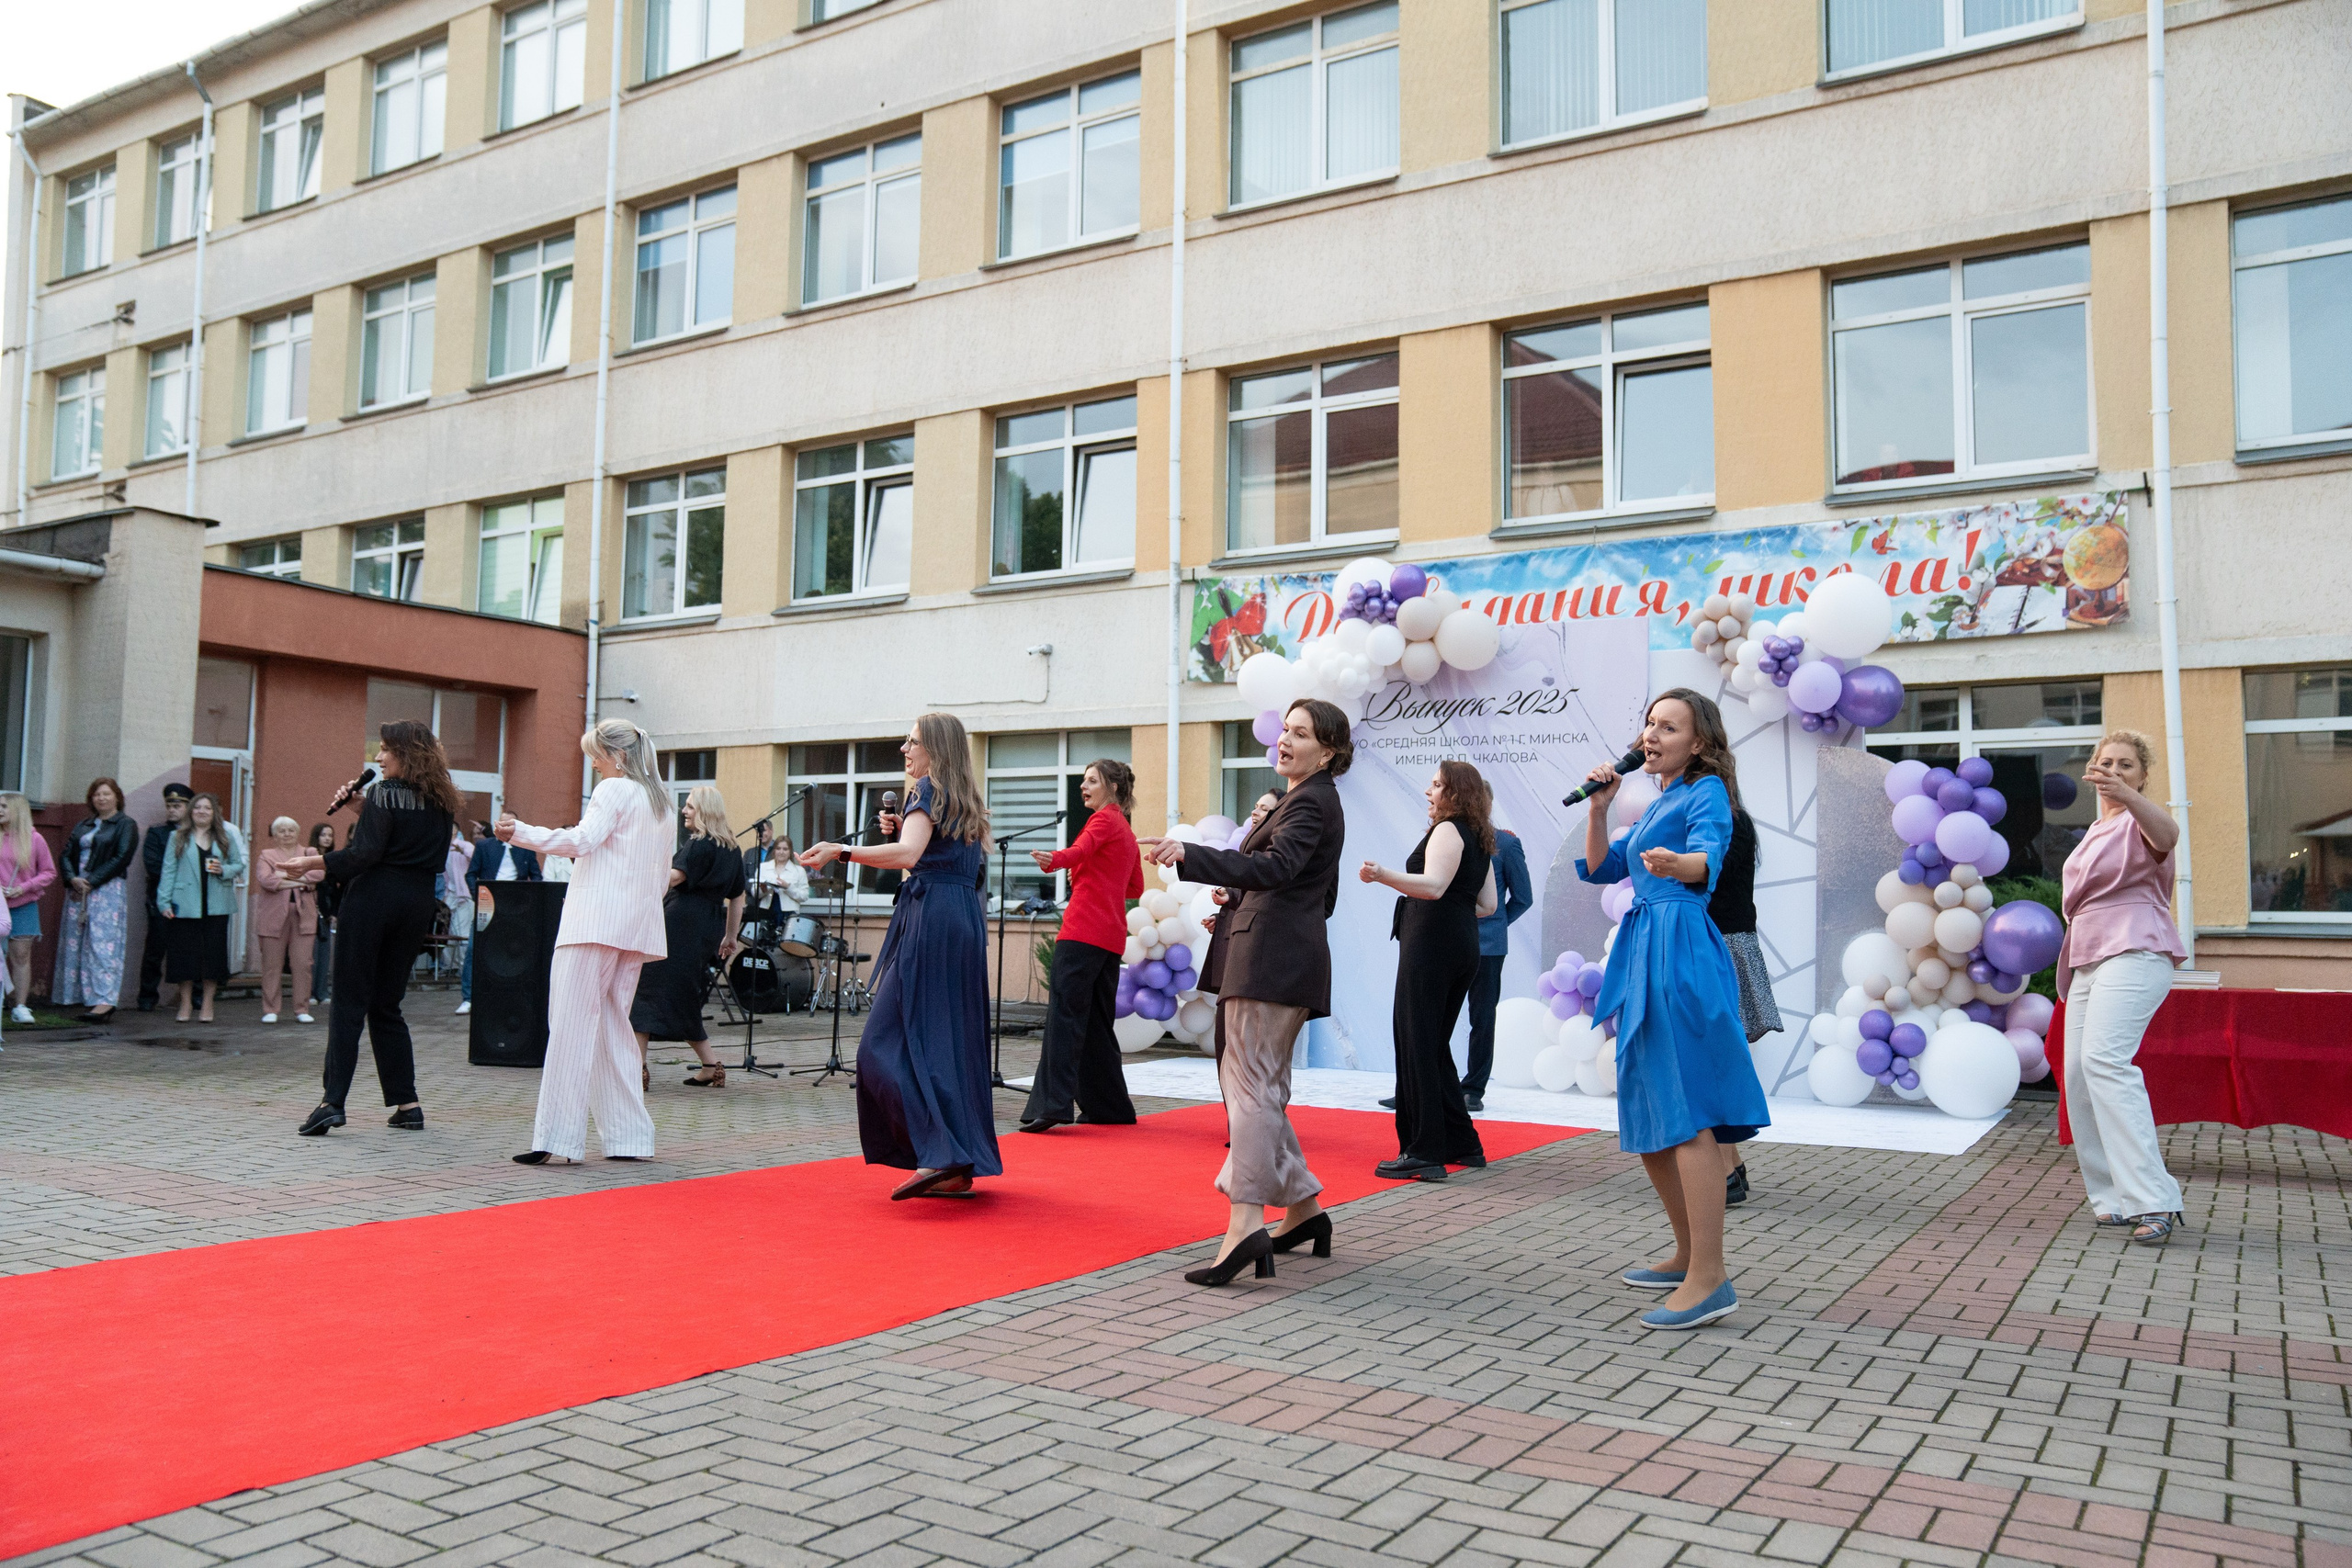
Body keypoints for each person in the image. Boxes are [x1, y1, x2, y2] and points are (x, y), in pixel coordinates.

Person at [1576, 688, 1769, 1331]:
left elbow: (1707, 859)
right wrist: (1599, 810)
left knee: (1685, 1111)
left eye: (1668, 725)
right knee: (1651, 1106)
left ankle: (1711, 1276)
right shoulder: (1658, 798)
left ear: (1700, 742)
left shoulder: (1706, 791)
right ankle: (1688, 1254)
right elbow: (1602, 868)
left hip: (1682, 946)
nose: (1651, 733)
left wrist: (1676, 862)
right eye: (1649, 721)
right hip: (1647, 947)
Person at [1143, 699, 1351, 1286]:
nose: (1284, 740)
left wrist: (1194, 856)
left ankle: (1245, 1224)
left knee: (1252, 1091)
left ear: (1328, 751)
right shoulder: (1301, 800)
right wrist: (1239, 903)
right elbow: (1309, 890)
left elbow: (1281, 869)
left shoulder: (1312, 802)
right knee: (1260, 1088)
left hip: (1273, 963)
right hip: (1270, 956)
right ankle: (1304, 1210)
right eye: (1284, 729)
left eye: (1301, 734)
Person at [799, 713, 998, 1201]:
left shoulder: (928, 790)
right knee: (946, 1042)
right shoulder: (962, 794)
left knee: (881, 1045)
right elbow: (935, 853)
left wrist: (841, 851)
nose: (904, 751)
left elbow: (909, 856)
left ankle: (940, 1153)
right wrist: (900, 835)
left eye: (912, 743)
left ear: (936, 749)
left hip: (932, 920)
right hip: (960, 919)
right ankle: (951, 1159)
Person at [498, 719, 674, 1165]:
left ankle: (557, 1138)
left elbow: (581, 841)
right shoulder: (662, 804)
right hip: (635, 926)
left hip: (594, 921)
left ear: (617, 755)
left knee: (572, 1026)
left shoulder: (614, 791)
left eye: (596, 754)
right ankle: (629, 1138)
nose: (593, 763)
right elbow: (661, 874)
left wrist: (519, 831)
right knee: (614, 1029)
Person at [277, 721, 459, 1135]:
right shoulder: (441, 799)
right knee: (386, 1003)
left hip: (373, 900)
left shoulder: (383, 792)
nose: (378, 758)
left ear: (406, 753)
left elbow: (366, 855)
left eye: (385, 750)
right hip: (415, 904)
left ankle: (332, 1102)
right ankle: (407, 1104)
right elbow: (407, 846)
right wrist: (364, 811)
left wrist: (314, 863)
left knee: (349, 1002)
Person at [2057, 729, 2188, 1247]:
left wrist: (2130, 797)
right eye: (2106, 762)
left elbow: (2170, 835)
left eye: (2127, 765)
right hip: (2088, 955)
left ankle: (2154, 1199)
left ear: (2142, 776)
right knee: (2078, 1075)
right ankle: (2112, 1197)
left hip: (2135, 947)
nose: (2114, 770)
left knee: (2106, 1063)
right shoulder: (2094, 830)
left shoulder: (2142, 821)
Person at [1359, 760, 1498, 1181]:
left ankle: (1422, 1151)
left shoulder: (1448, 830)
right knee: (1433, 1046)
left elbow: (1434, 886)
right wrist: (1454, 916)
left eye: (1437, 785)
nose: (1428, 792)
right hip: (1461, 946)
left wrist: (1383, 875)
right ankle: (1463, 1143)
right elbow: (1488, 905)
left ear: (1455, 794)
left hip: (1432, 948)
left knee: (1416, 1043)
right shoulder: (1479, 837)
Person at [1019, 758, 1144, 1133]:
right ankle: (1110, 1107)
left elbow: (1080, 851)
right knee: (1096, 1024)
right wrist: (1100, 878)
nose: (1083, 786)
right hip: (1109, 937)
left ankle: (1053, 1106)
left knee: (1065, 1019)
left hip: (1082, 932)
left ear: (1114, 788)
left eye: (1092, 780)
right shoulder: (1124, 828)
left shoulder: (1103, 820)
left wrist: (1056, 861)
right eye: (1083, 781)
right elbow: (1135, 887)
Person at [632, 784, 748, 1089]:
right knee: (683, 995)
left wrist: (638, 873)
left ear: (705, 811)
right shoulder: (732, 848)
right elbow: (738, 899)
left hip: (679, 922)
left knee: (644, 992)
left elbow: (674, 878)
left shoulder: (699, 844)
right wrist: (730, 937)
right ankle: (712, 1067)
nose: (684, 811)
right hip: (707, 926)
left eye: (690, 806)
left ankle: (637, 1070)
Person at [1708, 802, 1782, 1208]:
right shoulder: (1731, 817)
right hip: (1727, 941)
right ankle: (1730, 1164)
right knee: (1719, 1060)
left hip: (1719, 944)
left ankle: (1724, 1171)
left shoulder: (1722, 818)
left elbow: (1709, 880)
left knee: (1713, 1063)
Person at [1462, 807, 1532, 1113]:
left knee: (1482, 1016)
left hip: (1487, 946)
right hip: (1445, 940)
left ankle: (1473, 1088)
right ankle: (1421, 1087)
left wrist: (1496, 923)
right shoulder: (1446, 838)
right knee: (1428, 1015)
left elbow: (1522, 898)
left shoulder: (1505, 843)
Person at [155, 794, 247, 1024]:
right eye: (198, 808)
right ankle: (185, 1002)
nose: (202, 812)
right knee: (184, 957)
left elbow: (238, 864)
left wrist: (223, 870)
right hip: (185, 905)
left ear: (215, 812)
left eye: (207, 808)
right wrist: (163, 902)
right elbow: (168, 870)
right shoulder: (177, 837)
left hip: (216, 905)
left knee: (212, 957)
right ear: (191, 812)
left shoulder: (225, 837)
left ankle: (207, 1003)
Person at [56, 778, 139, 1021]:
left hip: (105, 890)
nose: (101, 798)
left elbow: (122, 857)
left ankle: (104, 1001)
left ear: (117, 797)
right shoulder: (84, 824)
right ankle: (81, 997)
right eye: (96, 795)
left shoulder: (125, 824)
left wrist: (91, 881)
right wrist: (73, 878)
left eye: (106, 794)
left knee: (103, 945)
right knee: (75, 942)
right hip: (78, 889)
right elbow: (66, 854)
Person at [460, 818, 541, 1013]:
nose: (505, 827)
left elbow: (536, 875)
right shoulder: (485, 846)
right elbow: (471, 874)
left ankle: (511, 994)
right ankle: (469, 998)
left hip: (517, 906)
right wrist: (477, 895)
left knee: (515, 950)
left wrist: (529, 899)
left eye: (509, 823)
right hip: (488, 902)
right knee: (474, 948)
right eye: (502, 823)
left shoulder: (526, 847)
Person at [253, 817, 323, 1024]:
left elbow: (319, 874)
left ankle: (302, 1009)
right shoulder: (267, 855)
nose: (287, 834)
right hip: (273, 917)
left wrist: (283, 877)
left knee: (303, 964)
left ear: (298, 832)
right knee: (271, 964)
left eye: (291, 830)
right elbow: (266, 880)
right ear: (274, 835)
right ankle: (270, 1009)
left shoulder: (309, 853)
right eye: (281, 831)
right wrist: (301, 880)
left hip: (304, 916)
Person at [137, 784, 195, 1010]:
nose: (172, 810)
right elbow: (153, 866)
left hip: (192, 900)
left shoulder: (198, 834)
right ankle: (147, 997)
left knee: (191, 949)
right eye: (169, 806)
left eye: (177, 806)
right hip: (162, 898)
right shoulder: (158, 833)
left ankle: (195, 996)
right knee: (155, 949)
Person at [2, 793, 58, 1023]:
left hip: (23, 904)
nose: (0, 810)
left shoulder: (35, 839)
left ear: (18, 810)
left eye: (4, 806)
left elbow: (49, 872)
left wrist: (23, 888)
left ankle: (20, 1006)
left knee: (21, 955)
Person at [306, 821, 338, 1008]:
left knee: (325, 955)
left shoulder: (333, 858)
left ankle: (321, 991)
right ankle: (310, 992)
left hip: (326, 911)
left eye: (330, 835)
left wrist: (334, 911)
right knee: (312, 955)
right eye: (324, 835)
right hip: (312, 908)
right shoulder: (309, 856)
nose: (327, 838)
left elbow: (335, 888)